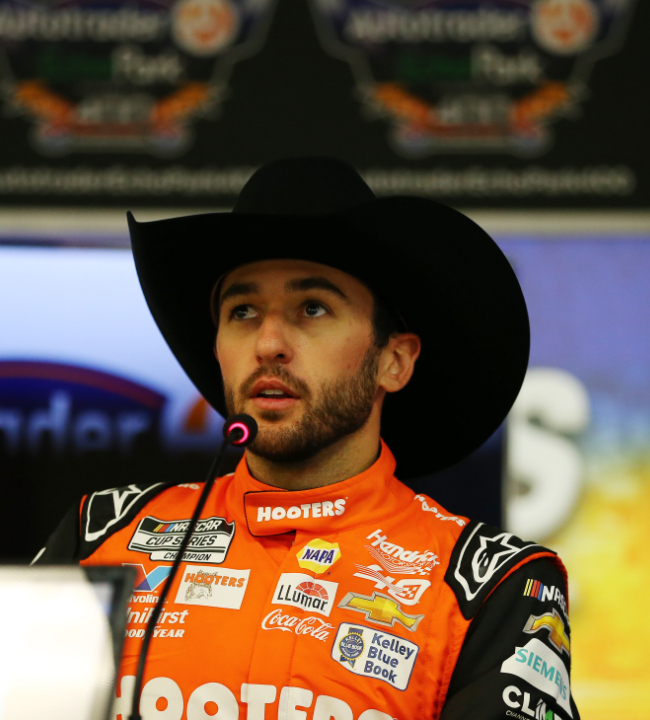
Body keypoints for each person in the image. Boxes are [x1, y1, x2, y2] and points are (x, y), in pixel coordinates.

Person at [34, 157, 578, 720]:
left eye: (312, 308)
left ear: (393, 360)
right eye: (242, 310)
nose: (268, 343)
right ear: (217, 347)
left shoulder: (492, 585)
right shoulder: (101, 534)